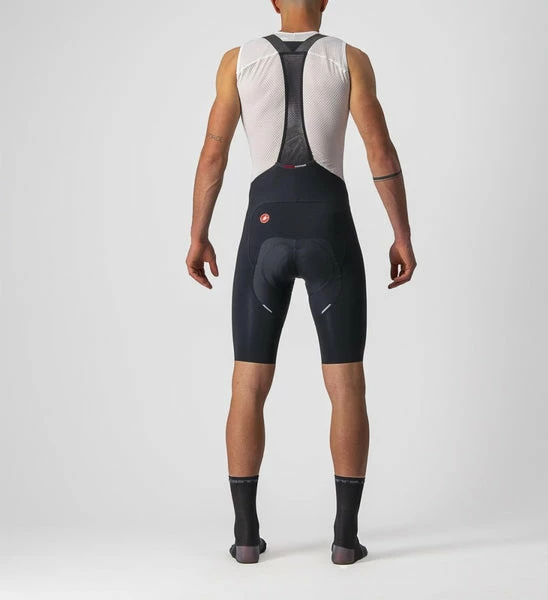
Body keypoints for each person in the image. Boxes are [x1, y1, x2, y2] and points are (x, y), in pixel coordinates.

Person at [186, 0, 416, 565]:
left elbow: (213, 154)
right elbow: (380, 150)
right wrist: (401, 235)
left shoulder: (237, 60)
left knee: (247, 384)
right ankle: (345, 540)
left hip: (261, 232)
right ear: (326, 0)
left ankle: (245, 538)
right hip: (329, 229)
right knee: (347, 384)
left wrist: (198, 235)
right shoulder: (350, 59)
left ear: (273, 1)